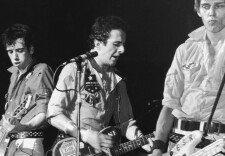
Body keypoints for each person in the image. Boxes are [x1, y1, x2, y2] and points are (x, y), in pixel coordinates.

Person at [151, 0, 225, 156]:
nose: (211, 12)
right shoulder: (184, 49)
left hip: (216, 147)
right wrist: (158, 147)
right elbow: (169, 104)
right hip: (177, 144)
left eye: (219, 6)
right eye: (206, 6)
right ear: (198, 10)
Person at [47, 16, 152, 155]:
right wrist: (84, 134)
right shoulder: (74, 69)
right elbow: (53, 113)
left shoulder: (118, 79)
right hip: (70, 148)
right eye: (116, 44)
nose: (122, 50)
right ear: (97, 43)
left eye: (123, 44)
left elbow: (125, 123)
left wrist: (143, 140)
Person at [0, 24, 54, 156]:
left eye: (19, 50)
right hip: (8, 141)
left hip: (28, 141)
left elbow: (46, 110)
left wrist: (25, 126)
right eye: (10, 51)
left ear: (31, 49)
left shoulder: (41, 70)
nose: (15, 57)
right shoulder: (14, 74)